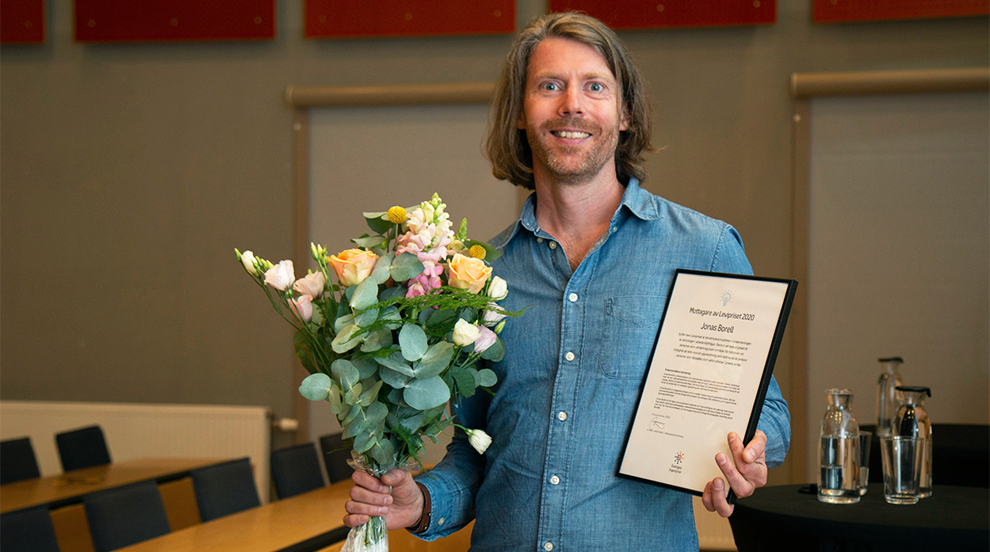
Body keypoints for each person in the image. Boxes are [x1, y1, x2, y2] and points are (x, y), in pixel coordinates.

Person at [344, 12, 790, 551]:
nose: (571, 105)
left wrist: (753, 448)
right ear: (520, 114)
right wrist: (423, 502)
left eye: (594, 86)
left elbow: (764, 407)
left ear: (624, 114)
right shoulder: (478, 276)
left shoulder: (705, 249)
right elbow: (475, 455)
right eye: (549, 86)